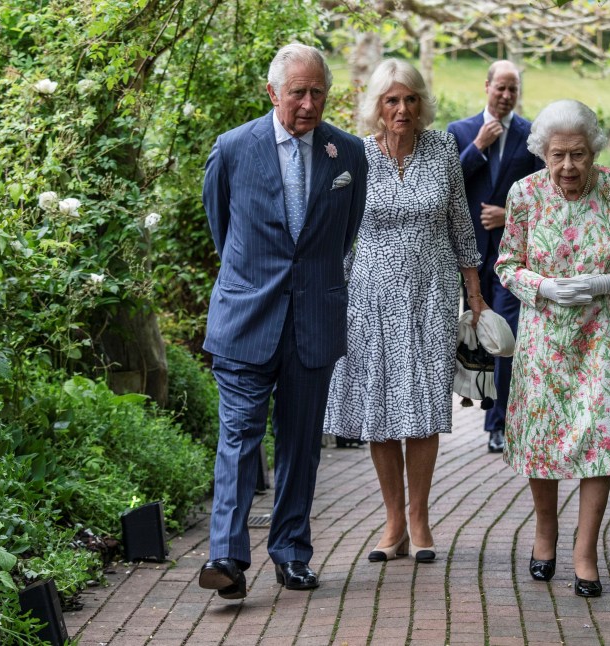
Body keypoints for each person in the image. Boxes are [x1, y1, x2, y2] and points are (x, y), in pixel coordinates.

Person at [198, 44, 367, 600]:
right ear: (273, 93)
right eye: (298, 91)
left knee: (301, 444)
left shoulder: (349, 155)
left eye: (318, 91)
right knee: (240, 436)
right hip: (247, 319)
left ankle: (291, 553)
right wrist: (256, 282)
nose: (309, 102)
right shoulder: (232, 149)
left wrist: (311, 285)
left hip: (313, 320)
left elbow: (344, 237)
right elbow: (222, 230)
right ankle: (226, 554)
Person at [496, 99, 610, 597]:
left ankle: (585, 552)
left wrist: (603, 284)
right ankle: (545, 533)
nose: (568, 166)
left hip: (603, 341)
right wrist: (543, 287)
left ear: (594, 151)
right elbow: (506, 265)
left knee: (602, 441)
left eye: (579, 154)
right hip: (544, 340)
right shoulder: (524, 195)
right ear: (542, 153)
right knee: (543, 441)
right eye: (557, 155)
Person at [323, 59, 487, 564]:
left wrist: (474, 289)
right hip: (368, 296)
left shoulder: (442, 148)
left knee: (420, 406)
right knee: (379, 408)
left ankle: (420, 519)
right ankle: (393, 519)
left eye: (411, 99)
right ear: (377, 105)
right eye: (392, 100)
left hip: (431, 294)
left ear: (422, 104)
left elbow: (461, 220)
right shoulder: (354, 153)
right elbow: (336, 226)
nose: (402, 109)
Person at [447, 60, 544, 454]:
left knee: (505, 337)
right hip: (468, 256)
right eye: (500, 88)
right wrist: (479, 147)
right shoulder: (461, 132)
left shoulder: (532, 134)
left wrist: (509, 215)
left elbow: (542, 192)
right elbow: (447, 184)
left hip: (511, 256)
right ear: (486, 86)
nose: (505, 96)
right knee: (475, 336)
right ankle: (475, 408)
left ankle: (498, 423)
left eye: (513, 90)